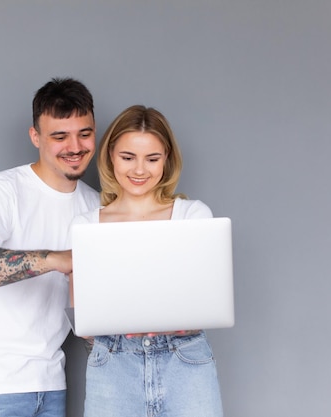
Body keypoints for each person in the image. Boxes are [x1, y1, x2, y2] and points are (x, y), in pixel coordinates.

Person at [0, 77, 100, 417]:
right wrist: (58, 259)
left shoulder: (97, 207)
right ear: (36, 137)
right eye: (60, 136)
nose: (75, 146)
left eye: (84, 133)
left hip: (50, 382)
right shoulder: (4, 189)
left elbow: (90, 309)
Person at [70, 105, 224, 417]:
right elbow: (79, 313)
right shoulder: (86, 224)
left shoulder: (193, 215)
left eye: (152, 159)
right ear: (111, 155)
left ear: (167, 160)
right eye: (128, 157)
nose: (140, 170)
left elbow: (206, 297)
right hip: (113, 364)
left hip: (184, 359)